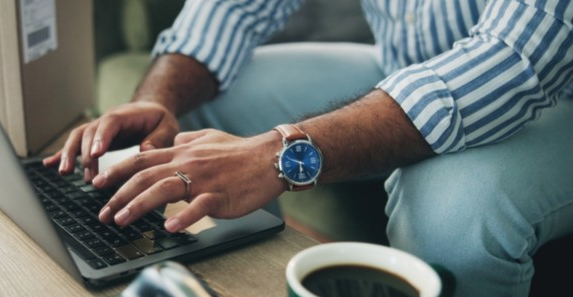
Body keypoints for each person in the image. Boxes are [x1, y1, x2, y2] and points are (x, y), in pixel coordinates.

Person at [44, 0, 573, 296]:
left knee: (450, 211)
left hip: (551, 91)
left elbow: (514, 58)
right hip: (404, 67)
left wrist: (276, 154)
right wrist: (156, 98)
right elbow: (235, 9)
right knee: (195, 113)